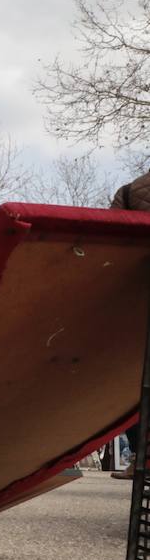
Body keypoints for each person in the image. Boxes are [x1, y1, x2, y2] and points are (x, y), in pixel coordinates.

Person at [109, 169, 150, 480]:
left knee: (135, 383)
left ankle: (141, 456)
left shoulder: (130, 191)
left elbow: (112, 241)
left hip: (139, 301)